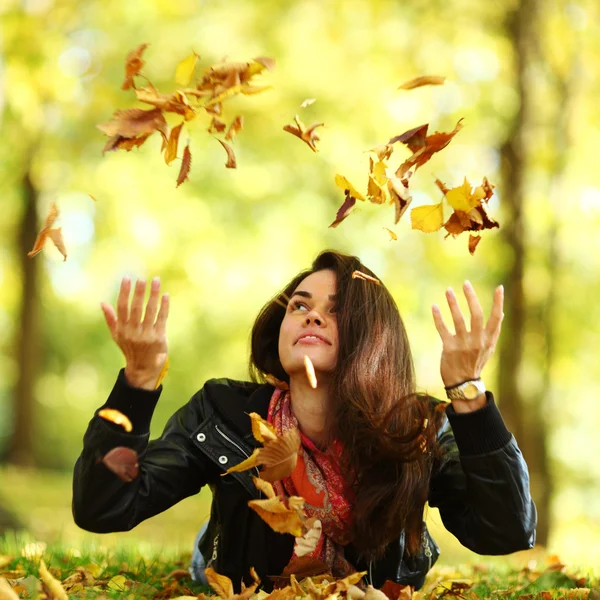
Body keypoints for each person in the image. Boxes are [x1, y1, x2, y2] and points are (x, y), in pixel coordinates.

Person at [72, 250, 536, 591]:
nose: (312, 315)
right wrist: (136, 384)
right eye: (300, 305)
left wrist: (469, 397)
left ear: (374, 337)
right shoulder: (223, 411)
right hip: (230, 563)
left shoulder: (417, 426)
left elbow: (505, 531)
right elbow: (104, 508)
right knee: (216, 540)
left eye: (337, 310)